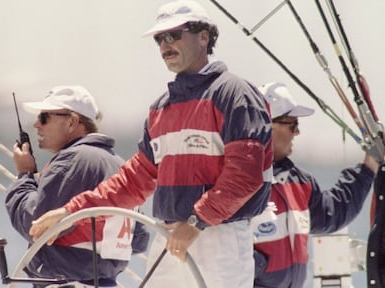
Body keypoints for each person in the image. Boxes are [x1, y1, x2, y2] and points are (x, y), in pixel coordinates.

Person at [29, 1, 273, 287]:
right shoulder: (161, 109)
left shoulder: (235, 94)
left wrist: (196, 222)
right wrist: (71, 212)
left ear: (204, 36)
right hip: (170, 235)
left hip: (221, 237)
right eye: (160, 38)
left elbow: (245, 176)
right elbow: (133, 181)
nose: (165, 45)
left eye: (174, 35)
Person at [5, 85, 149, 288]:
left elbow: (35, 225)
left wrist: (25, 175)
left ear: (72, 121)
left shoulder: (72, 159)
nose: (36, 124)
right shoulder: (120, 165)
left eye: (44, 117)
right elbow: (139, 239)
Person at [252, 82, 378, 288]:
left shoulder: (299, 182)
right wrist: (257, 269)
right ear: (266, 127)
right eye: (293, 125)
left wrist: (369, 165)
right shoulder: (238, 181)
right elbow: (221, 246)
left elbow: (332, 212)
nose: (297, 133)